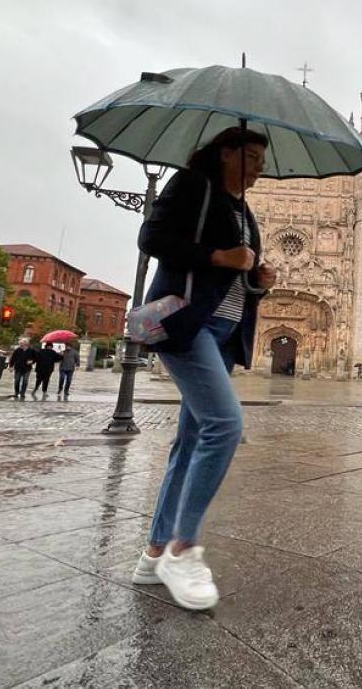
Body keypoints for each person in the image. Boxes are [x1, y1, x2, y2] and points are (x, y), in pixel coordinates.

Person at [130, 126, 277, 611]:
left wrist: (256, 278)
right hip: (188, 324)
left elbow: (234, 277)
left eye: (260, 158)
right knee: (224, 426)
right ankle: (183, 548)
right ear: (225, 153)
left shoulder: (244, 210)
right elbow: (151, 237)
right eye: (252, 156)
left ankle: (153, 553)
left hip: (224, 333)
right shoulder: (192, 185)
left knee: (189, 442)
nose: (259, 167)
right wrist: (218, 254)